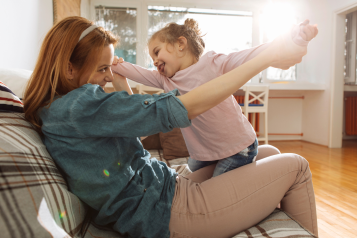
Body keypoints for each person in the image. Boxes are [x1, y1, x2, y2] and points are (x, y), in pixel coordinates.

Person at [23, 16, 318, 238]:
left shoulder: (64, 109)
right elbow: (183, 106)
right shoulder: (79, 105)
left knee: (266, 152)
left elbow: (131, 124)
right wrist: (269, 57)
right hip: (167, 212)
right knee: (297, 166)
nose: (106, 77)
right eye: (102, 69)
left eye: (107, 68)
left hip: (162, 190)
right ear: (69, 68)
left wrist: (117, 77)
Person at [111, 18, 318, 176]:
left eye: (157, 52)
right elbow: (138, 72)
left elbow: (254, 54)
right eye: (152, 58)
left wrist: (296, 37)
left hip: (237, 148)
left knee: (218, 194)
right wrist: (113, 63)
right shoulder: (164, 79)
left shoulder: (213, 63)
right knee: (190, 185)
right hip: (203, 154)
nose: (155, 62)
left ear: (180, 44)